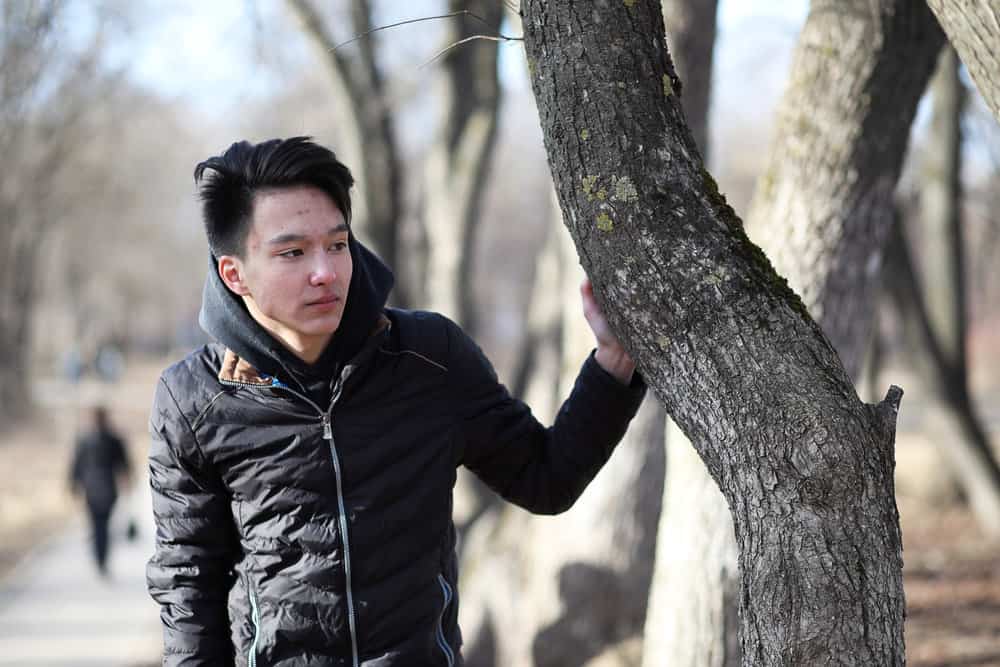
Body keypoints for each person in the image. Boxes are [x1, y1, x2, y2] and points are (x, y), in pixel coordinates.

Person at [146, 137, 645, 667]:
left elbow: (547, 478)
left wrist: (612, 366)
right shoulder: (193, 401)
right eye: (292, 252)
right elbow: (189, 585)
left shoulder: (430, 358)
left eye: (337, 245)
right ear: (235, 273)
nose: (326, 272)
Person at [70, 405, 130, 576]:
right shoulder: (95, 439)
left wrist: (74, 484)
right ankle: (100, 557)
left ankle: (100, 557)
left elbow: (124, 463)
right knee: (100, 525)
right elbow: (77, 465)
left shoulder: (92, 439)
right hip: (101, 488)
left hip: (99, 488)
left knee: (100, 525)